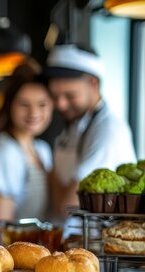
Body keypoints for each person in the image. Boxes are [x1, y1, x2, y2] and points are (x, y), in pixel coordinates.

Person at [46, 43, 136, 217]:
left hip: (97, 240)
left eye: (70, 96)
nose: (60, 104)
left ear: (94, 83)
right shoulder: (76, 124)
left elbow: (68, 206)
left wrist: (49, 172)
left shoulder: (108, 130)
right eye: (55, 96)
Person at [0, 60, 54, 242]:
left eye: (42, 104)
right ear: (9, 105)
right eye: (24, 104)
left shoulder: (42, 149)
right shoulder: (6, 152)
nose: (34, 113)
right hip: (14, 265)